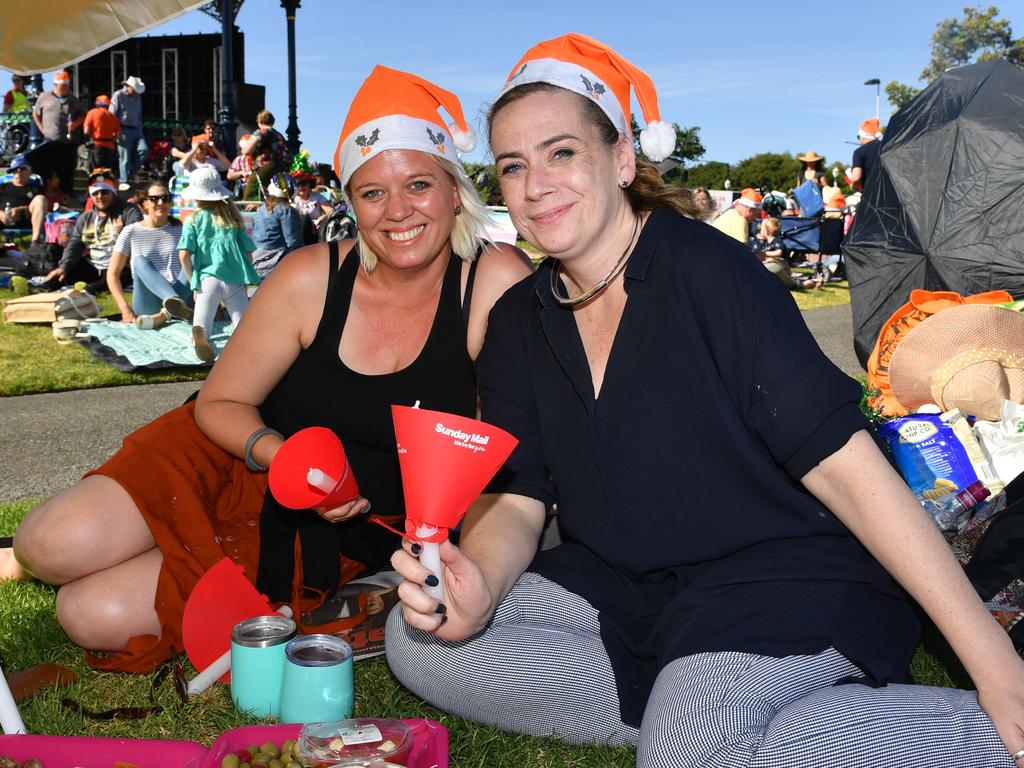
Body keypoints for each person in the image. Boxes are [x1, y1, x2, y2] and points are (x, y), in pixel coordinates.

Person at [386, 33, 1024, 768]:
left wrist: (993, 662)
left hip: (782, 576)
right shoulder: (517, 322)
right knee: (420, 635)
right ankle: (717, 715)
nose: (535, 185)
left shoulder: (705, 270)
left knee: (685, 747)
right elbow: (519, 496)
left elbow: (845, 466)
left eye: (561, 153)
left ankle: (961, 735)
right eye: (513, 167)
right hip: (627, 589)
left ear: (622, 160)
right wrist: (478, 584)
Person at [8, 66, 532, 680]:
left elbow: (509, 455)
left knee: (90, 612)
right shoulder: (311, 275)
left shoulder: (492, 280)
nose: (398, 211)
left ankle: (119, 542)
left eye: (418, 184)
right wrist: (276, 453)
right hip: (236, 456)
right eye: (371, 193)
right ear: (350, 204)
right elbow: (221, 402)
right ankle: (41, 554)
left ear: (453, 191)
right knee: (47, 543)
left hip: (332, 529)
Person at [176, 166, 259, 362]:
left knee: (202, 326)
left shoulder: (193, 220)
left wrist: (193, 282)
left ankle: (201, 336)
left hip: (207, 280)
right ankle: (246, 346)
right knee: (243, 326)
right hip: (234, 280)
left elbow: (183, 255)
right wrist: (246, 276)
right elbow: (248, 253)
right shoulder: (234, 219)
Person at [106, 182, 192, 329]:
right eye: (154, 199)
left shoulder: (182, 229)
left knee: (195, 257)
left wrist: (214, 305)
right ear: (144, 203)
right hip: (148, 301)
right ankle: (173, 302)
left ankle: (167, 312)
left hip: (182, 293)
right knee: (140, 261)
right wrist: (125, 310)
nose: (161, 203)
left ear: (170, 202)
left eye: (165, 198)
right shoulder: (130, 231)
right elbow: (112, 274)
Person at [44, 171, 141, 291]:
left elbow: (137, 238)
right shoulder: (86, 217)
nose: (100, 196)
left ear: (113, 194)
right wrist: (63, 267)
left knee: (114, 278)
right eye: (95, 193)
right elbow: (75, 244)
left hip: (120, 266)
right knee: (61, 272)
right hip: (93, 265)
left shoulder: (129, 211)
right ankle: (43, 286)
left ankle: (92, 289)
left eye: (105, 192)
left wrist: (118, 234)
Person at [29, 70, 84, 198]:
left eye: (66, 86)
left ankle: (67, 194)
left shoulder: (73, 99)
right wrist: (41, 128)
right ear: (56, 85)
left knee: (67, 169)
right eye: (62, 86)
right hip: (51, 139)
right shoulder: (44, 96)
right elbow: (35, 114)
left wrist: (75, 123)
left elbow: (83, 113)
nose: (65, 88)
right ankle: (49, 194)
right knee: (49, 169)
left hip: (68, 142)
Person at [251, 172, 302, 278]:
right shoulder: (286, 210)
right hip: (275, 260)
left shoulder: (261, 208)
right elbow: (292, 241)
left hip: (255, 260)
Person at [752, 216, 820, 290]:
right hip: (774, 267)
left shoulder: (776, 241)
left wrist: (766, 254)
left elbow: (779, 252)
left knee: (792, 285)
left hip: (782, 267)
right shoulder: (765, 242)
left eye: (762, 227)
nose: (759, 229)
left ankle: (812, 282)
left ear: (767, 230)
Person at [238, 109, 289, 199]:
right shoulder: (279, 135)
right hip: (279, 169)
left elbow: (246, 151)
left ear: (260, 121)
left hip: (264, 168)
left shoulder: (261, 132)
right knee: (275, 194)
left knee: (250, 195)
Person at [0, 156, 48, 244]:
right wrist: (1, 214)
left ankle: (35, 243)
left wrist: (20, 209)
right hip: (3, 218)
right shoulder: (3, 187)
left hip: (27, 218)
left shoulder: (36, 188)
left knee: (40, 199)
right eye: (15, 169)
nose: (18, 171)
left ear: (30, 172)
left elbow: (43, 207)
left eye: (22, 168)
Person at [109, 75, 147, 183]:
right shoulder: (118, 95)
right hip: (123, 129)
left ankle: (132, 171)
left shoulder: (137, 97)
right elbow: (112, 115)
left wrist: (140, 130)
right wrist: (116, 131)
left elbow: (139, 115)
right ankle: (123, 180)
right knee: (124, 157)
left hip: (136, 129)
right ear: (129, 87)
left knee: (144, 150)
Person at [83, 94, 120, 174]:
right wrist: (111, 140)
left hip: (96, 146)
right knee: (107, 172)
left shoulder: (92, 113)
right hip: (109, 147)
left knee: (95, 172)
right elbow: (118, 134)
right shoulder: (112, 116)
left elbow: (86, 131)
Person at [848, 117, 882, 192]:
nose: (859, 140)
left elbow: (856, 178)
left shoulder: (859, 152)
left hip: (870, 195)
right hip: (889, 194)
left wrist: (854, 186)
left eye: (858, 137)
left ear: (863, 137)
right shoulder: (887, 146)